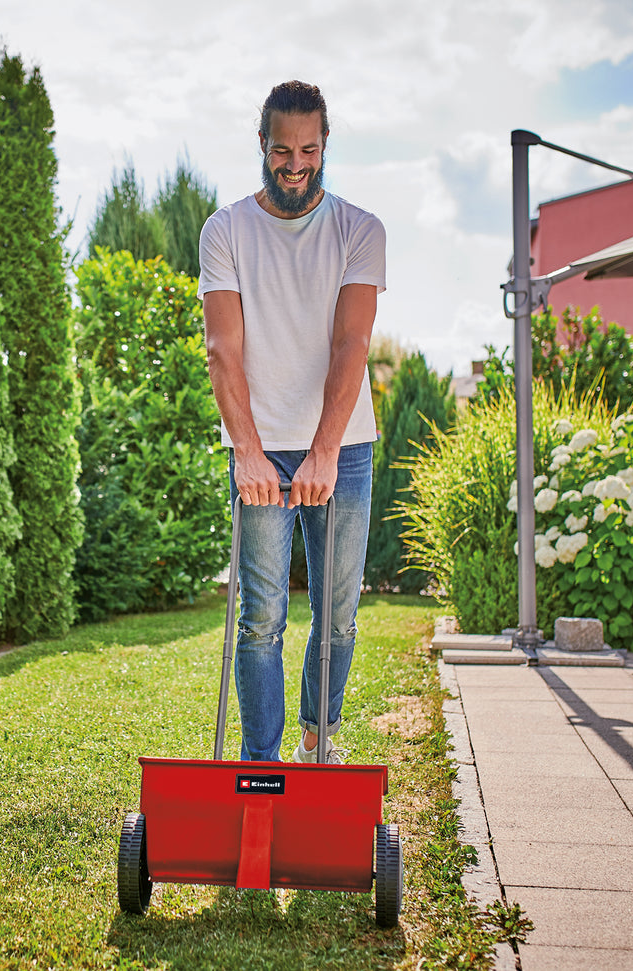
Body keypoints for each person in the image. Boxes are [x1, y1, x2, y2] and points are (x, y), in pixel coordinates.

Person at [198, 80, 386, 764]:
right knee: (262, 619)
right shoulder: (224, 231)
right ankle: (260, 764)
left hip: (342, 450)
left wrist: (325, 450)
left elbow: (351, 345)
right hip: (259, 450)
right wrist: (247, 453)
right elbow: (224, 348)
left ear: (325, 145)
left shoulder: (360, 230)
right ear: (263, 146)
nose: (295, 164)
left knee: (336, 618)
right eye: (282, 150)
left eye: (309, 150)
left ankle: (316, 738)